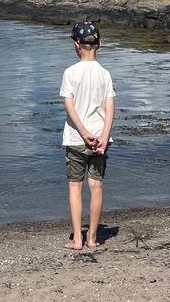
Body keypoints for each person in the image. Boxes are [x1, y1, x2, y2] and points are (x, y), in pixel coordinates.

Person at [59, 20, 115, 251]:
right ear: (98, 45)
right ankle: (93, 237)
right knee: (96, 187)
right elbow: (110, 108)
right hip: (100, 140)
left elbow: (69, 107)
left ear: (76, 43)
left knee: (75, 187)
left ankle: (78, 240)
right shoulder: (105, 74)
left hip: (76, 138)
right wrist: (103, 136)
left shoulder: (70, 73)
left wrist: (83, 133)